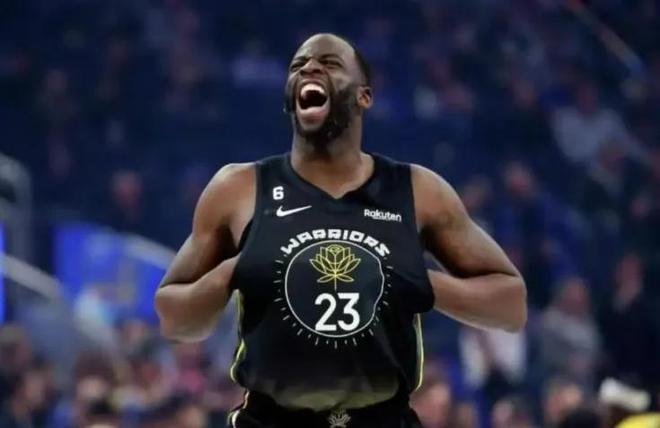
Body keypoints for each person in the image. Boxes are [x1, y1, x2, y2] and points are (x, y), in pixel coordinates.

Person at [155, 33, 527, 428]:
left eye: (330, 63)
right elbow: (173, 319)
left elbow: (511, 305)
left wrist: (424, 283)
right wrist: (229, 274)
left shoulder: (418, 191)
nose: (310, 68)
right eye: (298, 66)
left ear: (364, 96)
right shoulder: (238, 188)